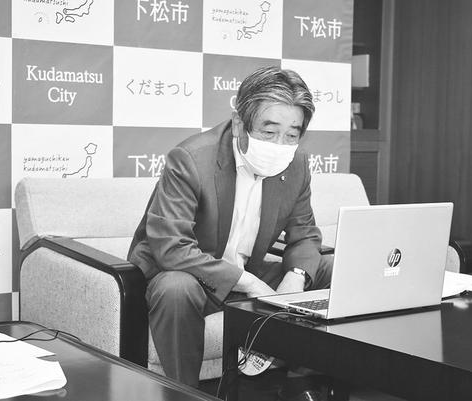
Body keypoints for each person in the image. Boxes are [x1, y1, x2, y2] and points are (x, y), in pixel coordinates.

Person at [127, 66, 332, 395]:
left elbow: (305, 234)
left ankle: (303, 384)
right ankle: (186, 394)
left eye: (292, 135)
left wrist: (295, 277)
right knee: (176, 287)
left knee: (329, 269)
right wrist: (248, 283)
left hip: (247, 270)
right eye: (269, 132)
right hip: (189, 274)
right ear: (239, 123)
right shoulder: (191, 159)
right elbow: (172, 247)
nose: (280, 145)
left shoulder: (295, 164)